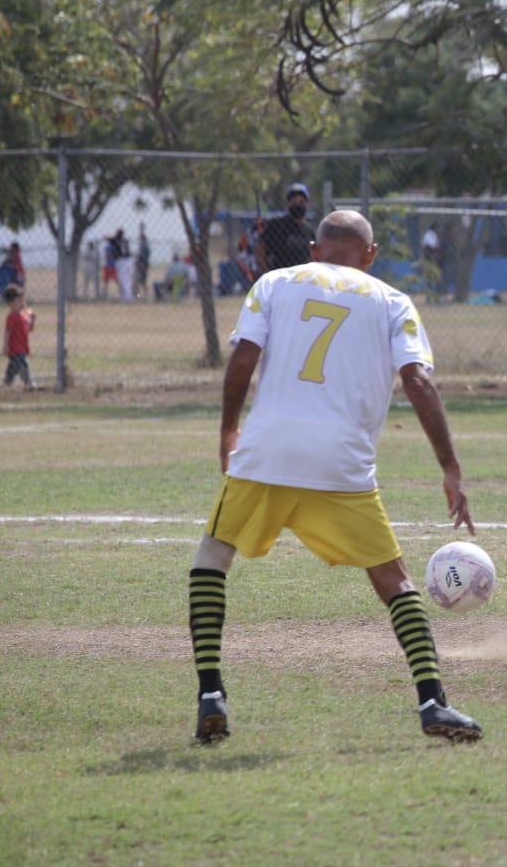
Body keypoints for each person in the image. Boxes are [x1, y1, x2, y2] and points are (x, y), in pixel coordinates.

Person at [187, 210, 482, 743]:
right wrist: (450, 468)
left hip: (266, 452)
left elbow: (241, 363)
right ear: (370, 255)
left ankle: (211, 691)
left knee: (213, 556)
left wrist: (228, 430)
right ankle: (434, 703)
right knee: (394, 581)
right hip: (341, 464)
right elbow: (418, 382)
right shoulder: (392, 300)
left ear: (314, 249)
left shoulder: (274, 282)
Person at [255, 183, 314, 273]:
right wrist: (266, 272)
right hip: (280, 277)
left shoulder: (308, 230)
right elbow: (260, 249)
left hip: (302, 278)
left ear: (307, 204)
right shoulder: (277, 225)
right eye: (293, 202)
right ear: (288, 204)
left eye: (301, 202)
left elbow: (313, 256)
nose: (297, 205)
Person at [4, 285, 36, 391]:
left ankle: (6, 384)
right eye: (18, 301)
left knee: (12, 369)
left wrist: (32, 319)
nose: (22, 303)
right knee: (23, 366)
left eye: (22, 300)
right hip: (15, 349)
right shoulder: (12, 316)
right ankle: (30, 384)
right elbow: (7, 332)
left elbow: (29, 329)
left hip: (22, 348)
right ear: (11, 303)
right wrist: (5, 346)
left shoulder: (23, 315)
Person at [135, 224, 152, 299]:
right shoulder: (144, 245)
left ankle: (141, 295)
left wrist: (138, 261)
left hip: (142, 265)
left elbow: (140, 256)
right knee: (142, 281)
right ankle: (143, 295)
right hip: (143, 265)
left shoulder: (143, 245)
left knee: (141, 281)